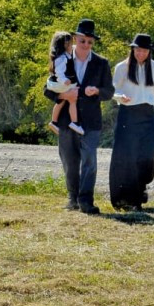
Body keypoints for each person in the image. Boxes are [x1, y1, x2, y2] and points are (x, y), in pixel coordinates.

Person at [43, 19, 115, 215]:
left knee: (89, 160)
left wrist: (96, 91)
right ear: (75, 39)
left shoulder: (102, 63)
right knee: (69, 160)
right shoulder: (62, 58)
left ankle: (86, 201)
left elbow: (109, 92)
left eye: (90, 42)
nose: (86, 45)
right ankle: (72, 198)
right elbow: (47, 89)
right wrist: (64, 95)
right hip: (67, 121)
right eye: (82, 41)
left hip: (91, 122)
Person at [109, 33, 154, 211]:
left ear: (149, 52)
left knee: (146, 156)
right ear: (133, 50)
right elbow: (111, 90)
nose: (141, 54)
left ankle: (139, 192)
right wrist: (119, 97)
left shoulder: (153, 66)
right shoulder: (122, 68)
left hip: (147, 114)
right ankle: (127, 199)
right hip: (128, 114)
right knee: (127, 157)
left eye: (144, 51)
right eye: (137, 50)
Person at [45, 31, 84, 136]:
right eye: (70, 44)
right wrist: (64, 80)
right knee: (73, 97)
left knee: (61, 101)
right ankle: (74, 122)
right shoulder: (62, 58)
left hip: (59, 85)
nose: (72, 46)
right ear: (64, 45)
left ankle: (54, 122)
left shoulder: (65, 54)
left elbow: (76, 48)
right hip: (61, 84)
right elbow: (59, 73)